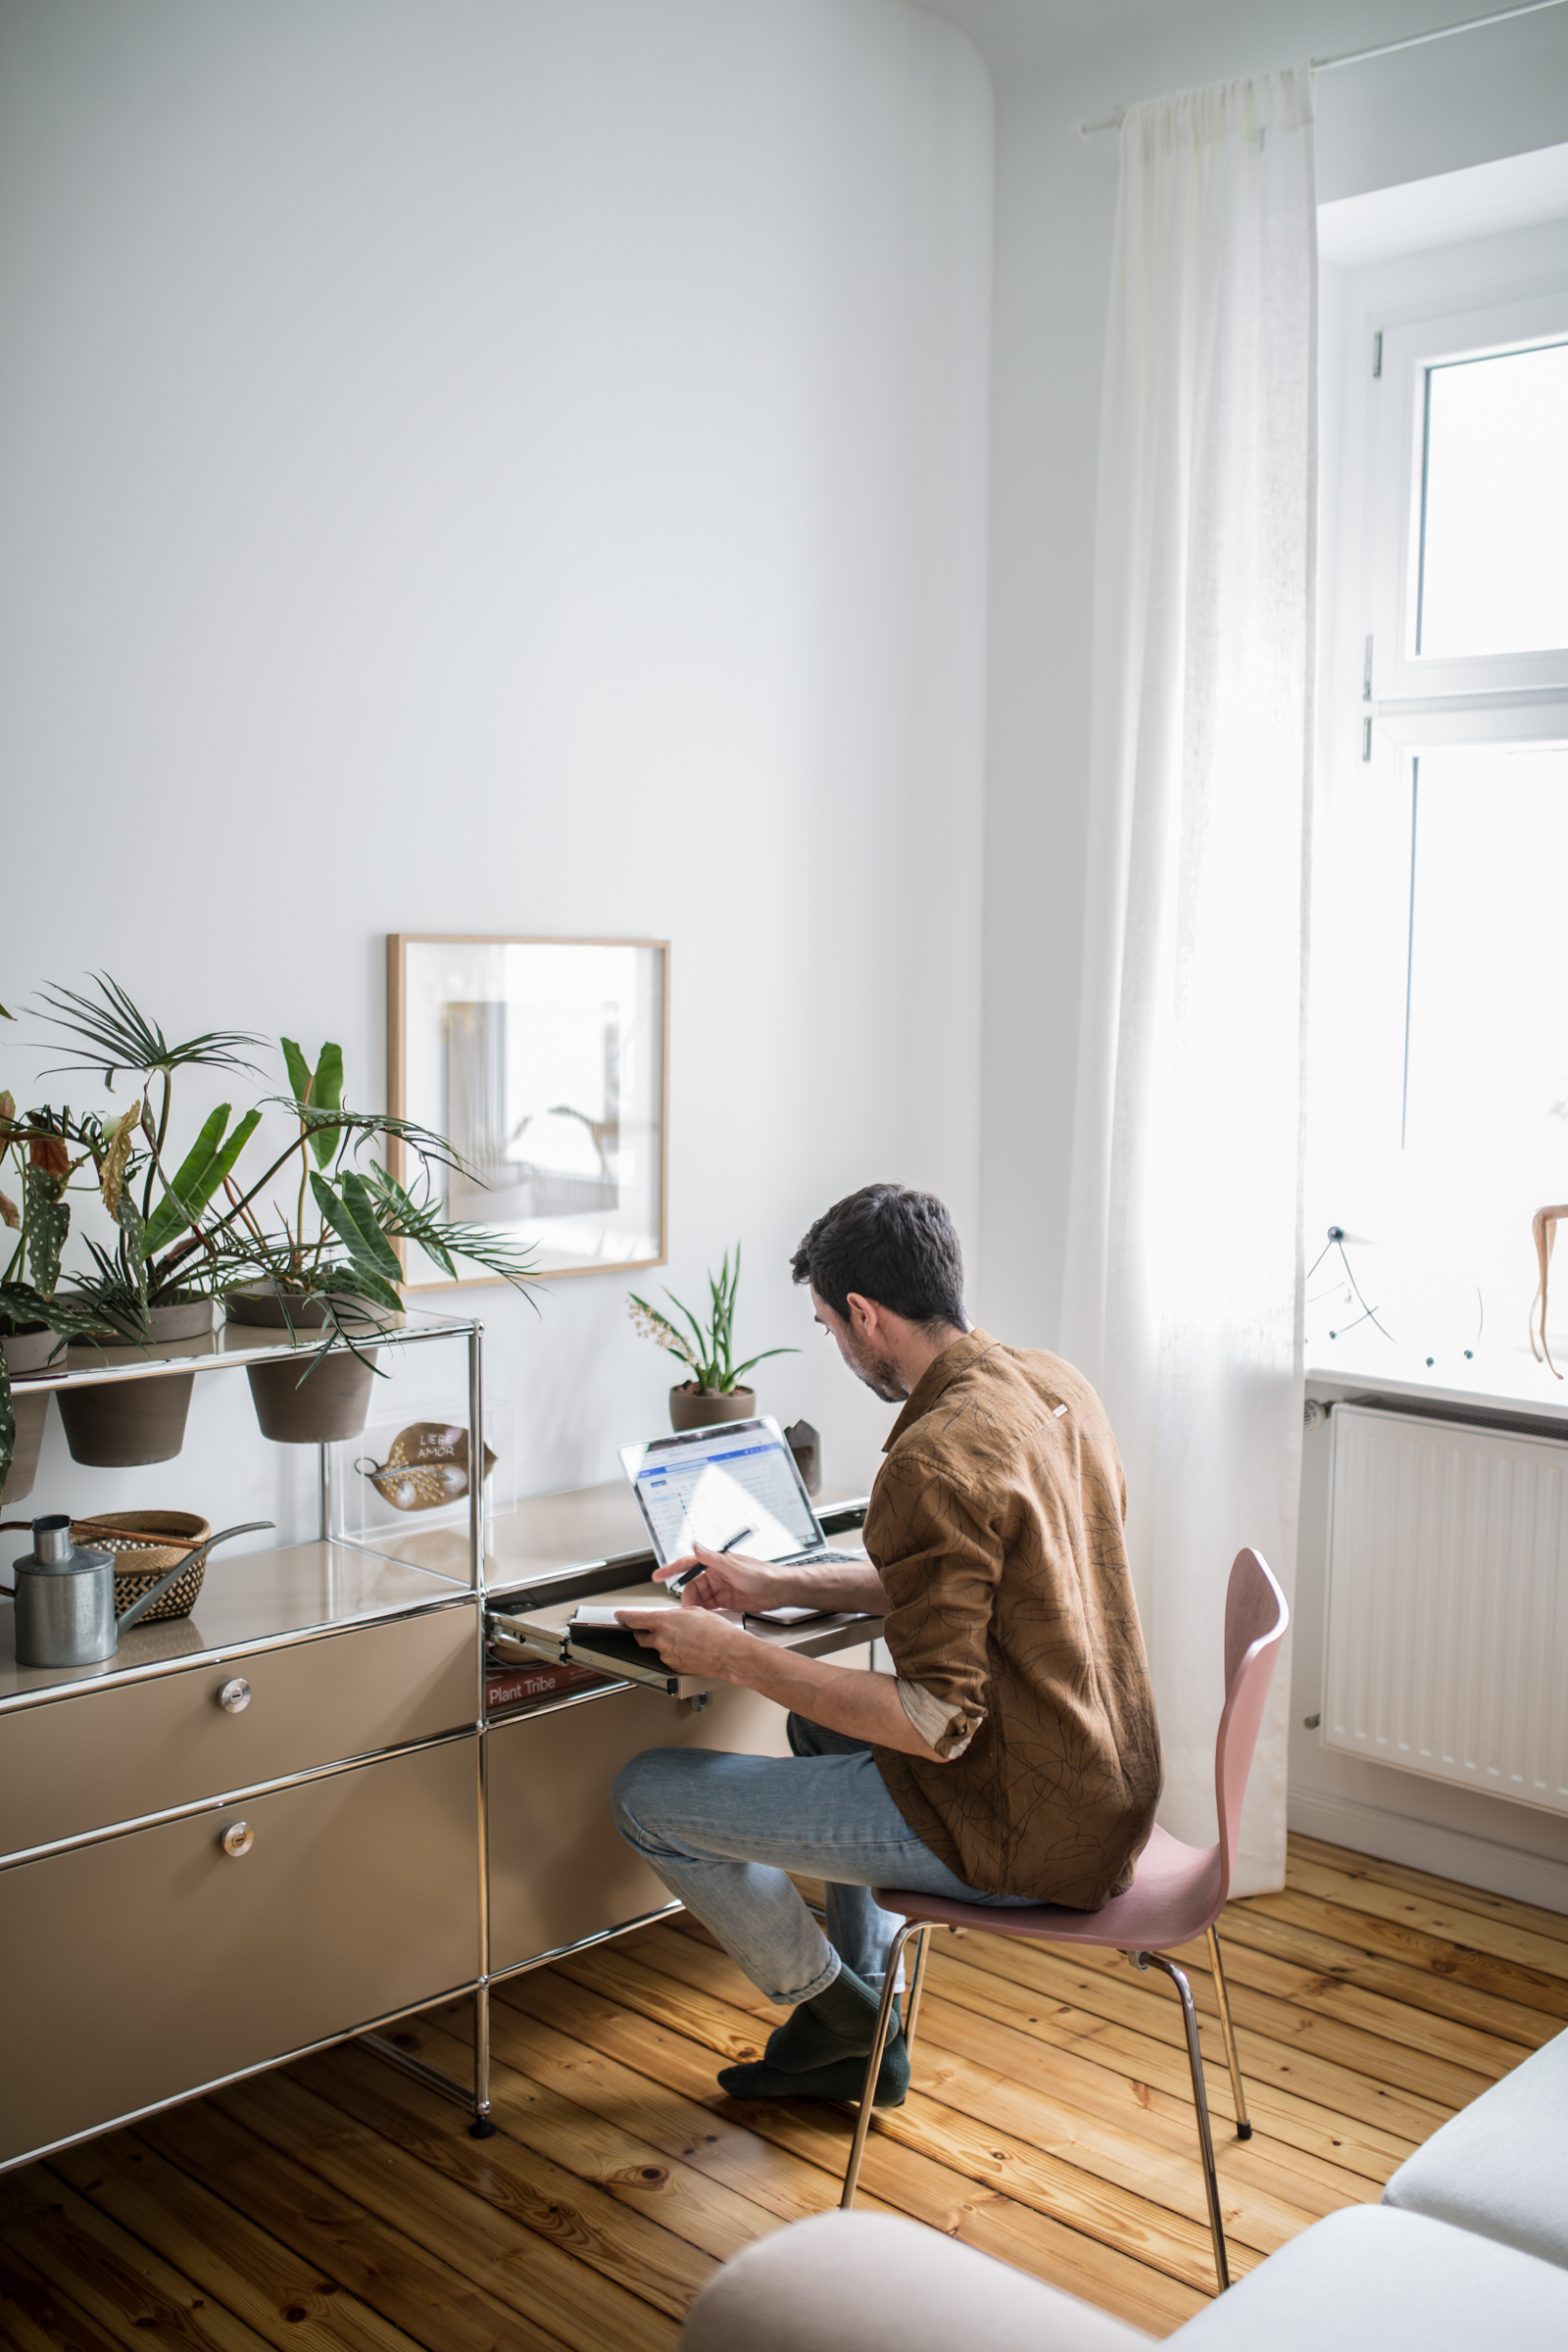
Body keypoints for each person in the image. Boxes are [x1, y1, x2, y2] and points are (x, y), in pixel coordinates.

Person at [611, 1183, 1161, 2108]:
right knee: (820, 1735)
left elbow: (934, 1721)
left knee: (644, 1796)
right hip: (1107, 1784)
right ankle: (869, 2015)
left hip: (1023, 1824)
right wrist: (776, 1584)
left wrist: (734, 1653)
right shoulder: (1054, 1383)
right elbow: (997, 1578)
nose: (837, 1344)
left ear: (864, 1314)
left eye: (828, 1325)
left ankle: (840, 2016)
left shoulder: (932, 1456)